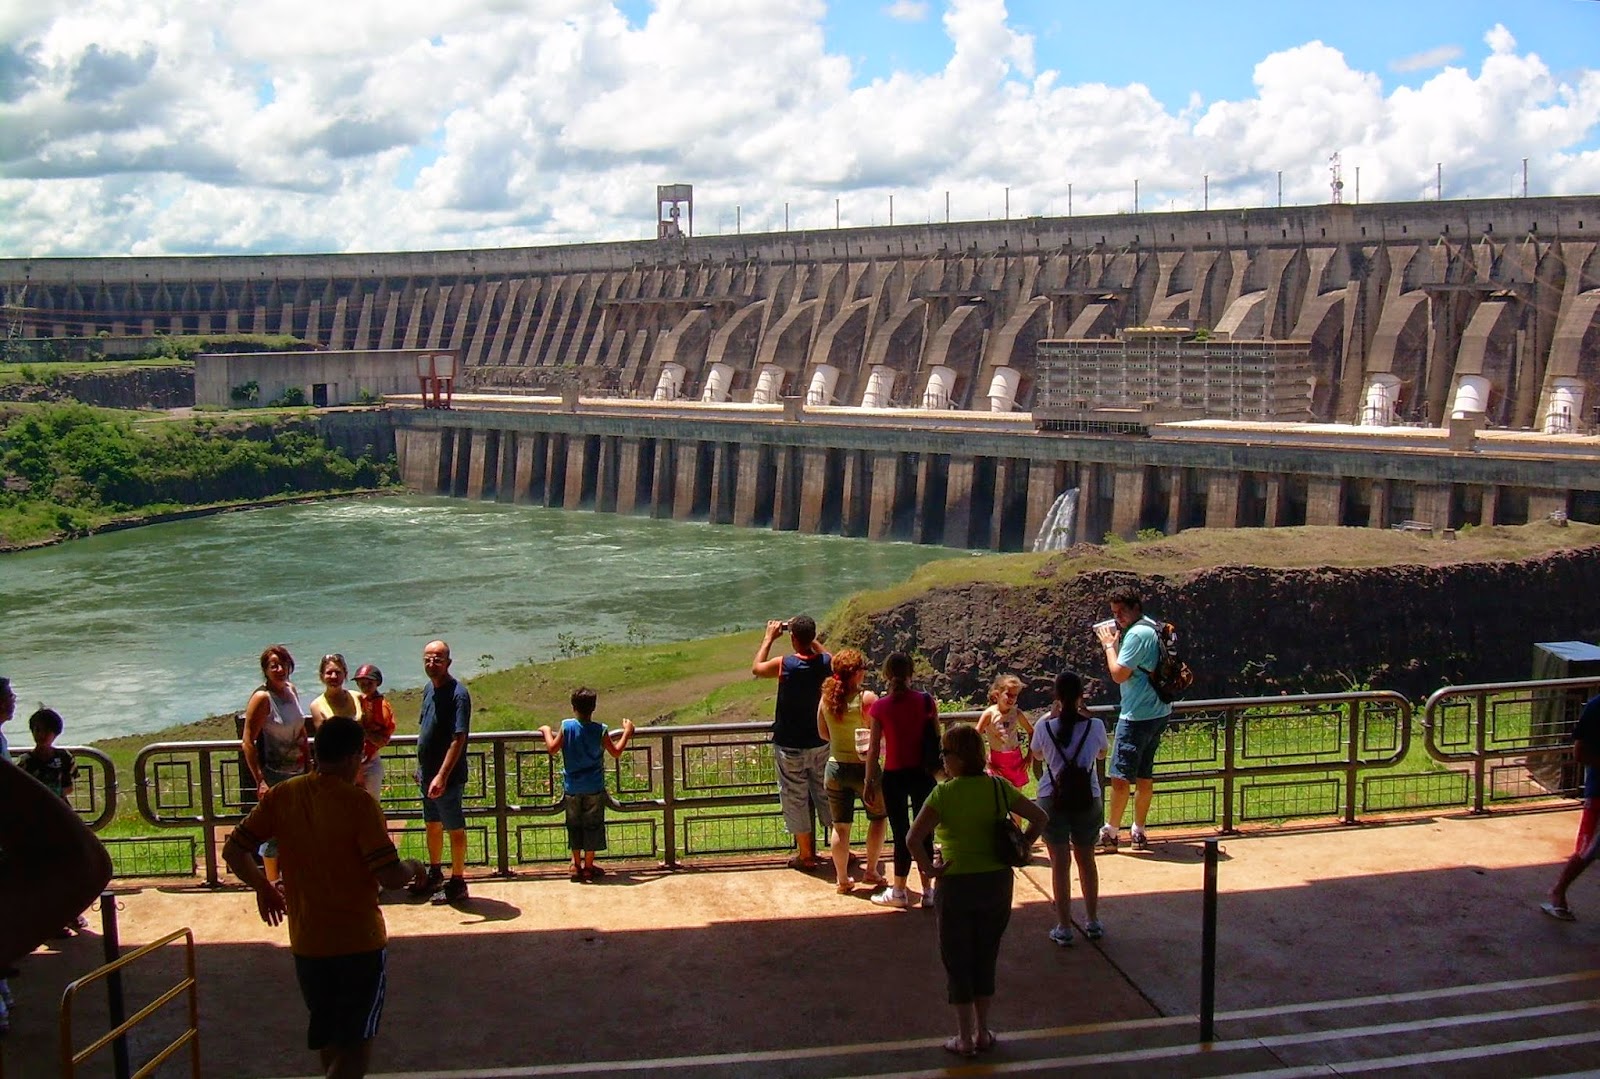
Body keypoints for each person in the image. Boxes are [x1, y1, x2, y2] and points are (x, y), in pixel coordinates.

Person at [223, 717, 429, 1079]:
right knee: (356, 1047)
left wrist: (263, 887)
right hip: (358, 942)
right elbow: (389, 876)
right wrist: (415, 866)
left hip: (308, 943)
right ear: (355, 757)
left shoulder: (285, 795)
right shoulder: (359, 805)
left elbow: (234, 850)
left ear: (316, 752)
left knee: (329, 1039)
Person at [908, 723, 1047, 1058]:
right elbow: (1040, 817)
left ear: (956, 759)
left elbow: (914, 838)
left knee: (957, 960)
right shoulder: (999, 788)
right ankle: (984, 1031)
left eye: (946, 754)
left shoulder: (944, 793)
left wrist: (930, 869)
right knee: (986, 955)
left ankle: (964, 1036)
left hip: (956, 884)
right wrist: (1022, 848)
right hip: (997, 882)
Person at [1031, 671, 1109, 946]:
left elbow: (1038, 754)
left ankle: (1064, 926)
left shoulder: (1044, 727)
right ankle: (1093, 921)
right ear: (1080, 697)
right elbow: (1102, 753)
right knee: (1087, 860)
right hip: (1088, 799)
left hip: (1052, 799)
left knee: (1059, 865)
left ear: (1056, 697)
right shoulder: (1096, 726)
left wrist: (1049, 716)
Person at [1094, 586, 1173, 853]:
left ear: (1135, 607)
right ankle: (1138, 830)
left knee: (1119, 776)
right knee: (1143, 774)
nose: (1118, 618)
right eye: (1114, 613)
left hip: (1136, 715)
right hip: (1159, 711)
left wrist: (1108, 646)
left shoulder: (1137, 635)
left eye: (1122, 612)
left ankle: (1111, 832)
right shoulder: (1152, 626)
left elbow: (1118, 674)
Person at [752, 615, 833, 869]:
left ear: (792, 638)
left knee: (795, 797)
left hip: (789, 744)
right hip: (820, 741)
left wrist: (768, 638)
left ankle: (806, 854)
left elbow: (756, 668)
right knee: (827, 794)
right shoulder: (825, 663)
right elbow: (831, 657)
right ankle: (840, 847)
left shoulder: (785, 665)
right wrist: (812, 640)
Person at [864, 652, 940, 909]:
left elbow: (874, 749)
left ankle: (898, 890)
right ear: (911, 673)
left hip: (894, 775)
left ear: (886, 675)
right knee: (924, 831)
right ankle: (928, 890)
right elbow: (936, 738)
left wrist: (868, 781)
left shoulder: (880, 707)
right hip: (923, 773)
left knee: (901, 834)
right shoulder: (927, 702)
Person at [539, 687, 635, 883]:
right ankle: (589, 867)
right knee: (593, 825)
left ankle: (576, 864)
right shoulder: (601, 730)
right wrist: (627, 732)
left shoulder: (566, 726)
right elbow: (615, 752)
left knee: (574, 825)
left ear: (573, 707)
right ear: (594, 708)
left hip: (572, 788)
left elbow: (552, 748)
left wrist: (546, 730)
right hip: (594, 786)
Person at [816, 648, 888, 894]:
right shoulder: (867, 699)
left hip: (835, 767)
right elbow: (880, 732)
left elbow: (823, 733)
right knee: (878, 818)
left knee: (841, 826)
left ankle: (843, 879)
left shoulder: (826, 698)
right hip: (864, 768)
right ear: (857, 673)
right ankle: (871, 870)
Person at [241, 645, 309, 885]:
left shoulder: (291, 690)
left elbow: (301, 732)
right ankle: (273, 886)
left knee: (297, 831)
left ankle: (292, 881)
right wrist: (260, 780)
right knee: (273, 836)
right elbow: (248, 741)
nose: (280, 670)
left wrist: (309, 765)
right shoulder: (262, 698)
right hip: (275, 776)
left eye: (283, 664)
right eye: (274, 666)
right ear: (265, 670)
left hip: (298, 773)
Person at [21, 707, 89, 936]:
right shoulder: (26, 762)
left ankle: (69, 911)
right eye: (37, 729)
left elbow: (68, 786)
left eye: (46, 730)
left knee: (69, 866)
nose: (41, 734)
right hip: (39, 823)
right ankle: (54, 918)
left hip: (61, 817)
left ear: (55, 732)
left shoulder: (64, 757)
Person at [413, 639, 471, 902]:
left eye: (437, 658)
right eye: (427, 658)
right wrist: (422, 769)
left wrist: (442, 775)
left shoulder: (458, 693)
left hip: (447, 777)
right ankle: (435, 872)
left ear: (448, 661)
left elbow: (458, 737)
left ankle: (458, 881)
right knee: (432, 824)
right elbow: (425, 729)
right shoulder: (428, 689)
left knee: (454, 828)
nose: (431, 663)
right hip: (427, 774)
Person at [1543, 692, 1600, 920]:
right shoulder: (1597, 707)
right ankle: (1558, 891)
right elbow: (1580, 752)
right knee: (1586, 850)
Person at [976, 674, 1034, 790]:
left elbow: (1031, 731)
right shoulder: (989, 714)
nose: (1011, 699)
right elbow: (975, 737)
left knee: (1016, 794)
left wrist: (1029, 756)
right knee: (997, 792)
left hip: (1015, 759)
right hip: (997, 761)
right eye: (1008, 694)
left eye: (1015, 695)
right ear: (997, 694)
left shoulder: (1016, 713)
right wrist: (986, 760)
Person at [351, 664, 396, 801]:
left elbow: (383, 738)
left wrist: (363, 732)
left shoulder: (382, 706)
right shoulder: (361, 700)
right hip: (358, 759)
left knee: (371, 802)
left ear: (377, 683)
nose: (365, 686)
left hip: (370, 758)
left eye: (369, 683)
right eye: (361, 683)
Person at [309, 653, 361, 732]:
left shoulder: (358, 697)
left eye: (338, 672)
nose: (334, 676)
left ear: (345, 674)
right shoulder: (317, 705)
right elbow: (323, 738)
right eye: (329, 673)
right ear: (321, 676)